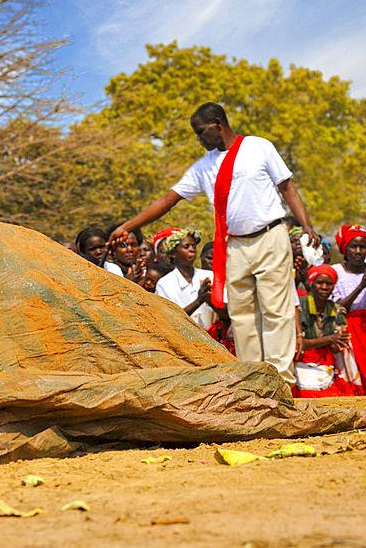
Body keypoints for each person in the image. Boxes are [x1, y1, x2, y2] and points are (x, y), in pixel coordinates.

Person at [109, 102, 320, 385]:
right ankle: (254, 379)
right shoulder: (203, 167)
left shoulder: (259, 147)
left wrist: (306, 224)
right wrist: (127, 226)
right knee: (242, 312)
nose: (199, 140)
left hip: (270, 236)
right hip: (234, 245)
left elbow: (287, 187)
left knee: (275, 308)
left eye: (201, 132)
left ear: (218, 124)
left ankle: (280, 379)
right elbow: (167, 201)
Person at [293, 264, 361, 397]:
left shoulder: (336, 310)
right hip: (301, 361)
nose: (324, 287)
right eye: (320, 283)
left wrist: (338, 343)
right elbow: (297, 343)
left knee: (344, 395)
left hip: (326, 363)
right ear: (311, 284)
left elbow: (336, 347)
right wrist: (330, 339)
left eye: (329, 284)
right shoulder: (300, 306)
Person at [154, 229, 214, 331]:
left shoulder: (209, 276)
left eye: (194, 247)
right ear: (174, 253)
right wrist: (199, 301)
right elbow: (170, 320)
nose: (192, 250)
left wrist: (210, 301)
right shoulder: (165, 284)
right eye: (186, 247)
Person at [330, 225, 366, 381]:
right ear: (345, 249)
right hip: (346, 328)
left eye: (363, 247)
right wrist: (361, 287)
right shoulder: (336, 271)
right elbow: (339, 307)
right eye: (353, 246)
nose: (358, 251)